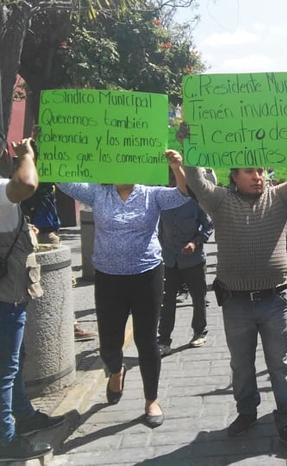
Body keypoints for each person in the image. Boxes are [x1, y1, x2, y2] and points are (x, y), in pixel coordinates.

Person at [181, 120, 287, 451]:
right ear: (234, 176)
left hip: (276, 301)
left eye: (260, 169)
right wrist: (188, 146)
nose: (257, 176)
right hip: (236, 303)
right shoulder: (219, 201)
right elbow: (197, 182)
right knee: (241, 366)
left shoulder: (280, 198)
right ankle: (247, 412)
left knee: (282, 365)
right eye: (249, 170)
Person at [58, 150, 189, 429]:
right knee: (109, 342)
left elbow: (182, 194)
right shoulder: (98, 193)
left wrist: (177, 167)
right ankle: (116, 371)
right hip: (108, 279)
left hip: (147, 276)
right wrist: (48, 146)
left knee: (146, 341)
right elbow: (63, 182)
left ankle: (150, 400)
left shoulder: (151, 194)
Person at [0, 139, 64, 461]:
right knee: (4, 370)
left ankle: (22, 415)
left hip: (12, 295)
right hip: (4, 299)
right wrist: (27, 155)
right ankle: (6, 441)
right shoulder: (1, 189)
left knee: (14, 361)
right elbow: (26, 182)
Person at [157, 185, 213, 356]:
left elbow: (208, 226)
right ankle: (164, 340)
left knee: (198, 297)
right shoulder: (162, 202)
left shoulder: (195, 201)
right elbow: (156, 229)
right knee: (166, 301)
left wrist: (195, 243)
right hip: (168, 260)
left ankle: (199, 332)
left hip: (193, 260)